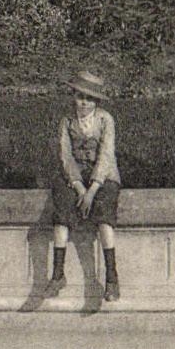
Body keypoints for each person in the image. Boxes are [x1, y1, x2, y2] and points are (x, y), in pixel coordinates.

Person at [47, 69, 122, 302]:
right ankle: (57, 274)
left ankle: (111, 278)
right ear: (74, 97)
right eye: (80, 96)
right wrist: (79, 187)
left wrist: (92, 190)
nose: (84, 102)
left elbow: (106, 155)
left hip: (103, 176)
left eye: (89, 98)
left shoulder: (105, 120)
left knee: (104, 212)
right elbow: (65, 156)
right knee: (62, 206)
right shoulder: (67, 121)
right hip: (76, 175)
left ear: (96, 101)